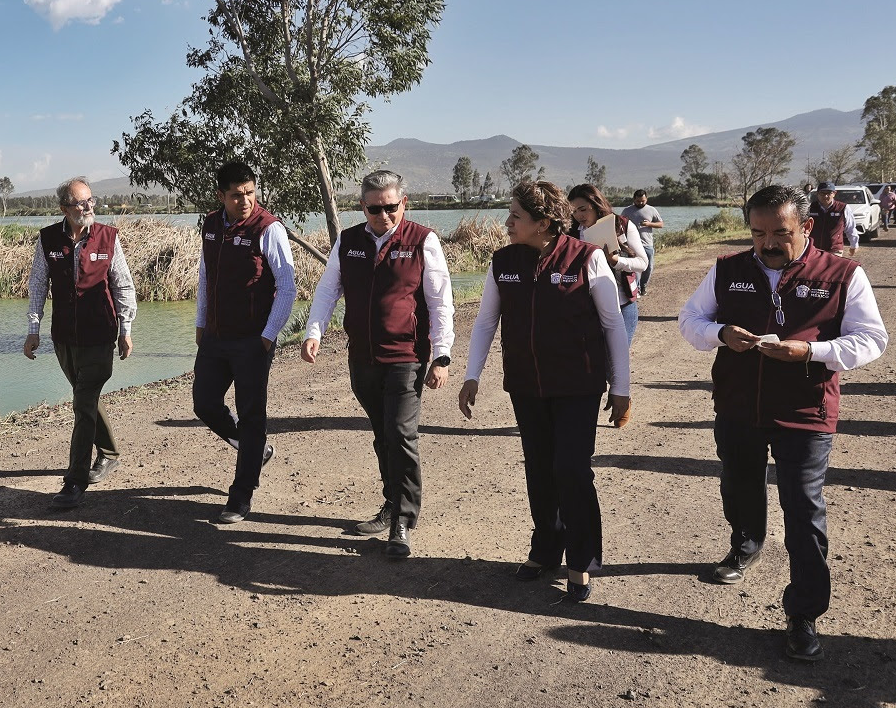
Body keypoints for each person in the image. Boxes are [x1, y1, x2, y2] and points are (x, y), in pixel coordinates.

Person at [677, 184, 888, 662]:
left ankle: (804, 613)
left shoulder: (842, 274)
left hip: (806, 412)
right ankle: (746, 544)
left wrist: (810, 352)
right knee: (739, 483)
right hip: (737, 406)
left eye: (780, 233)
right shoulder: (727, 270)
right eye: (757, 233)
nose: (767, 243)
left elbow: (872, 340)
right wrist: (719, 333)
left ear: (807, 227)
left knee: (803, 510)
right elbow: (689, 319)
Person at [458, 180, 631, 603]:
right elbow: (485, 323)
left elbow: (612, 325)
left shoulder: (587, 258)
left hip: (578, 385)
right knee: (539, 468)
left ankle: (582, 560)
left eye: (516, 216)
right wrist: (471, 375)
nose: (507, 222)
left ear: (544, 223)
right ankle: (546, 549)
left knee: (571, 469)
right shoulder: (503, 262)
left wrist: (621, 387)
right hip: (526, 385)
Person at [301, 170, 455, 559]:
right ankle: (392, 502)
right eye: (375, 209)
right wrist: (313, 331)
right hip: (363, 357)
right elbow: (327, 290)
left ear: (404, 203)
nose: (384, 215)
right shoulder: (348, 241)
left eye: (391, 207)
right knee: (382, 433)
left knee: (401, 434)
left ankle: (403, 520)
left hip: (406, 355)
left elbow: (440, 303)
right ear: (362, 206)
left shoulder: (423, 241)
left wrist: (441, 354)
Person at [193, 160, 297, 524]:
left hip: (253, 340)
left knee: (252, 415)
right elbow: (206, 276)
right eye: (237, 195)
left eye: (251, 192)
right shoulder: (210, 225)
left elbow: (287, 287)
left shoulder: (268, 229)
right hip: (216, 336)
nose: (246, 201)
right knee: (204, 403)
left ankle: (240, 496)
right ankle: (256, 451)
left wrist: (268, 338)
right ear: (221, 195)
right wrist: (201, 322)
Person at [23, 177, 137, 509]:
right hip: (64, 338)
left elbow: (123, 287)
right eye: (80, 203)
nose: (88, 208)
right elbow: (37, 287)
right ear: (64, 209)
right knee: (84, 398)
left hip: (100, 335)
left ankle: (75, 481)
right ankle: (110, 453)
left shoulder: (108, 237)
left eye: (91, 201)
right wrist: (33, 330)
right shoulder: (48, 240)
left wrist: (126, 330)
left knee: (82, 403)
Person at [570, 183, 647, 344]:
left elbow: (642, 263)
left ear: (596, 204)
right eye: (574, 211)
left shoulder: (622, 225)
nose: (579, 216)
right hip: (586, 309)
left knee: (615, 362)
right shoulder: (571, 233)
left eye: (583, 209)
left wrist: (616, 261)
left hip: (622, 306)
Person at [620, 189, 664, 296]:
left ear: (646, 199)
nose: (641, 203)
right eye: (638, 201)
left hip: (647, 244)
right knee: (636, 268)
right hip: (632, 245)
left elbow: (661, 224)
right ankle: (637, 288)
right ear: (634, 199)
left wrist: (649, 224)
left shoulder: (652, 210)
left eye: (643, 201)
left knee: (648, 267)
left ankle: (643, 286)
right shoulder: (627, 211)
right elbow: (620, 225)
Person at [808, 182, 858, 257]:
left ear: (834, 193)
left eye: (829, 193)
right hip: (813, 249)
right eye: (822, 193)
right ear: (817, 194)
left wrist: (854, 245)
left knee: (832, 268)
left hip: (835, 249)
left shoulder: (843, 208)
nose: (825, 196)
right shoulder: (810, 208)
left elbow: (850, 228)